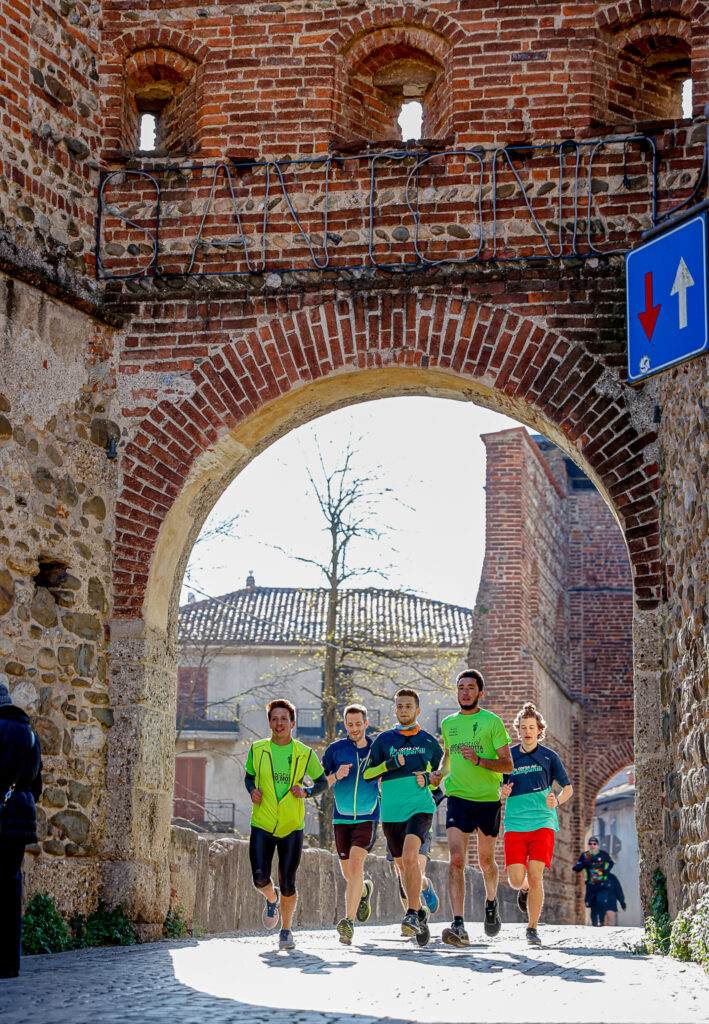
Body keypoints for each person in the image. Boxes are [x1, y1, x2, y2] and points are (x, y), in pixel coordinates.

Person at [429, 668, 513, 947]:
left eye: (470, 687)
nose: (465, 692)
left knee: (486, 862)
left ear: (480, 692)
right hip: (458, 798)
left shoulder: (492, 722)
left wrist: (479, 761)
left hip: (487, 800)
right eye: (461, 687)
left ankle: (491, 902)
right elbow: (448, 754)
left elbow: (507, 764)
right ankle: (458, 924)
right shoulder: (450, 724)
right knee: (456, 860)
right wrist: (440, 772)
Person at [244, 698, 328, 950]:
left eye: (284, 719)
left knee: (288, 880)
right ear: (269, 722)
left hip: (292, 826)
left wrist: (306, 792)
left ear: (292, 723)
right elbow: (249, 776)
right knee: (259, 877)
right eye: (274, 719)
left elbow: (322, 782)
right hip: (262, 822)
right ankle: (272, 898)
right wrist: (252, 790)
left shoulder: (304, 753)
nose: (279, 723)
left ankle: (286, 930)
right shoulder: (257, 749)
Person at [363, 687, 443, 945]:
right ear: (395, 710)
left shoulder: (429, 741)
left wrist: (432, 780)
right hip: (391, 812)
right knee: (402, 868)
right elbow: (367, 774)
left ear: (417, 710)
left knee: (410, 858)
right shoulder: (384, 740)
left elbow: (445, 774)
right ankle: (420, 910)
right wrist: (389, 765)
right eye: (400, 706)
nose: (404, 710)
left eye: (408, 706)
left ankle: (410, 913)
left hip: (420, 808)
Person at [499, 702, 573, 946]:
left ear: (540, 730)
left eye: (532, 727)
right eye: (523, 727)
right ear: (517, 730)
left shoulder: (549, 757)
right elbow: (498, 786)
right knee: (516, 880)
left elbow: (568, 789)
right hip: (515, 822)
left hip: (542, 820)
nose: (527, 731)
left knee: (537, 874)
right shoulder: (509, 756)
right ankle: (524, 889)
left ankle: (532, 928)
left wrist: (556, 800)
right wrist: (502, 792)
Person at [321, 703, 381, 946]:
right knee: (349, 874)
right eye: (350, 724)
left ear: (366, 724)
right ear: (344, 725)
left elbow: (389, 771)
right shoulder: (335, 750)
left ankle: (348, 923)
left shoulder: (377, 749)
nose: (354, 729)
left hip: (368, 815)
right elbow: (319, 783)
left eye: (359, 724)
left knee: (355, 866)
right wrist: (337, 775)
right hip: (341, 817)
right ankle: (365, 890)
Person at [0, 678, 42, 979]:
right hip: (20, 817)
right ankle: (9, 963)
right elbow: (37, 784)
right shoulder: (29, 734)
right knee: (11, 885)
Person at [386, 820, 440, 918]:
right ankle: (411, 918)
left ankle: (425, 886)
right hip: (394, 821)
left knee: (415, 870)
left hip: (420, 825)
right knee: (401, 876)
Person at [573, 837, 614, 926]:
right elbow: (578, 866)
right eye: (590, 844)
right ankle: (594, 924)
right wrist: (580, 866)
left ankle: (602, 921)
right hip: (591, 884)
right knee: (593, 905)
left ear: (597, 845)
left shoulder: (603, 854)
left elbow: (611, 862)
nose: (592, 846)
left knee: (601, 901)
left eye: (594, 844)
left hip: (602, 884)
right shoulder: (585, 855)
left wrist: (607, 871)